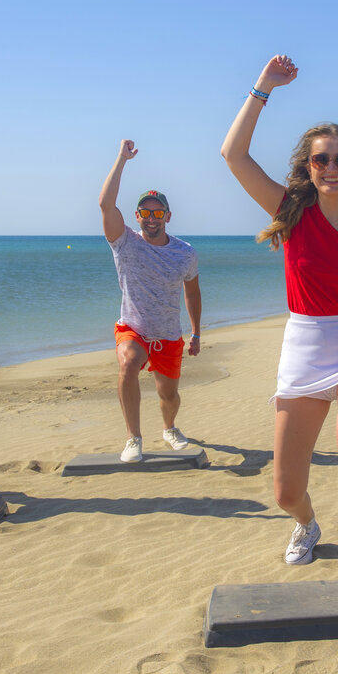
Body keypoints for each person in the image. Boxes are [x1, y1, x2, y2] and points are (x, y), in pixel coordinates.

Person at [221, 55, 338, 603]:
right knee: (285, 491)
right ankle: (307, 523)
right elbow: (233, 155)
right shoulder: (292, 212)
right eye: (322, 159)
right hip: (302, 345)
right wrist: (263, 87)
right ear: (310, 165)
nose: (332, 167)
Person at [99, 140, 202, 463]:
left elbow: (192, 292)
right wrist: (121, 159)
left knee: (168, 395)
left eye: (158, 212)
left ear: (168, 215)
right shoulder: (125, 243)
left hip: (169, 333)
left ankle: (169, 428)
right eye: (146, 212)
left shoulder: (185, 253)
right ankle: (134, 438)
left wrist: (196, 333)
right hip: (134, 327)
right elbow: (105, 204)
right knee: (128, 363)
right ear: (137, 216)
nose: (152, 218)